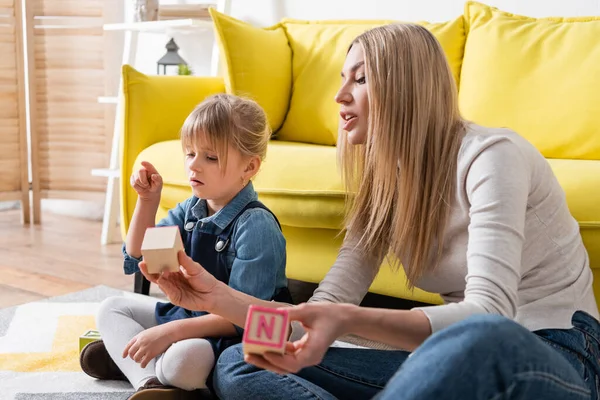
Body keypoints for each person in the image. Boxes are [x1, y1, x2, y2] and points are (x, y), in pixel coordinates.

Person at [138, 23, 600, 400]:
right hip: (446, 353)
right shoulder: (385, 189)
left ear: (407, 87)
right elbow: (318, 311)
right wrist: (217, 297)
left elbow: (488, 320)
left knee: (471, 347)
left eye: (360, 79)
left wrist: (347, 321)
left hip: (551, 354)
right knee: (243, 359)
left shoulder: (492, 157)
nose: (340, 95)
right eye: (342, 79)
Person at [79, 94, 291, 400]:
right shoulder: (193, 209)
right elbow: (138, 252)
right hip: (188, 317)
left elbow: (244, 317)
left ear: (250, 166)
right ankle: (148, 383)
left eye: (210, 157)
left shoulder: (256, 226)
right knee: (111, 308)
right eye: (189, 153)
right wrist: (147, 200)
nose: (194, 165)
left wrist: (169, 332)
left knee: (184, 360)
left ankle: (134, 361)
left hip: (233, 337)